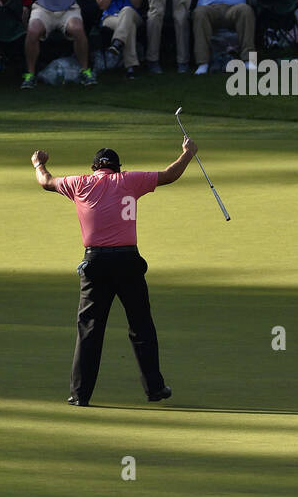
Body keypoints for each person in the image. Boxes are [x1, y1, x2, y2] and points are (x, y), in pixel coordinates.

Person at [31, 141, 201, 406]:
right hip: (128, 261)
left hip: (95, 262)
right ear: (117, 168)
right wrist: (188, 153)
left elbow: (46, 181)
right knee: (141, 326)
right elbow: (169, 175)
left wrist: (38, 162)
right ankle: (154, 389)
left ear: (94, 168)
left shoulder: (80, 183)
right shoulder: (129, 180)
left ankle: (80, 395)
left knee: (90, 329)